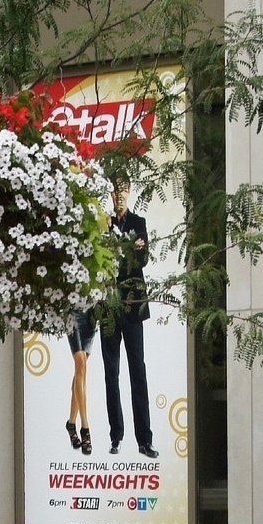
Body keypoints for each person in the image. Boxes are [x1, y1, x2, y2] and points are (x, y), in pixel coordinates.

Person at [101, 183, 156, 458]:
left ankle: (144, 440)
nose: (119, 195)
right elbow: (101, 262)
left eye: (123, 190)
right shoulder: (103, 225)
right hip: (108, 307)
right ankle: (116, 435)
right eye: (115, 191)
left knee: (138, 372)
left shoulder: (139, 222)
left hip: (133, 306)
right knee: (111, 374)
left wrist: (126, 253)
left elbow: (141, 261)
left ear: (130, 191)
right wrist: (127, 250)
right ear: (110, 195)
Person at [65, 310, 94, 456]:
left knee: (80, 372)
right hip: (71, 312)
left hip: (91, 314)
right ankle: (85, 428)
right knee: (81, 365)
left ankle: (71, 424)